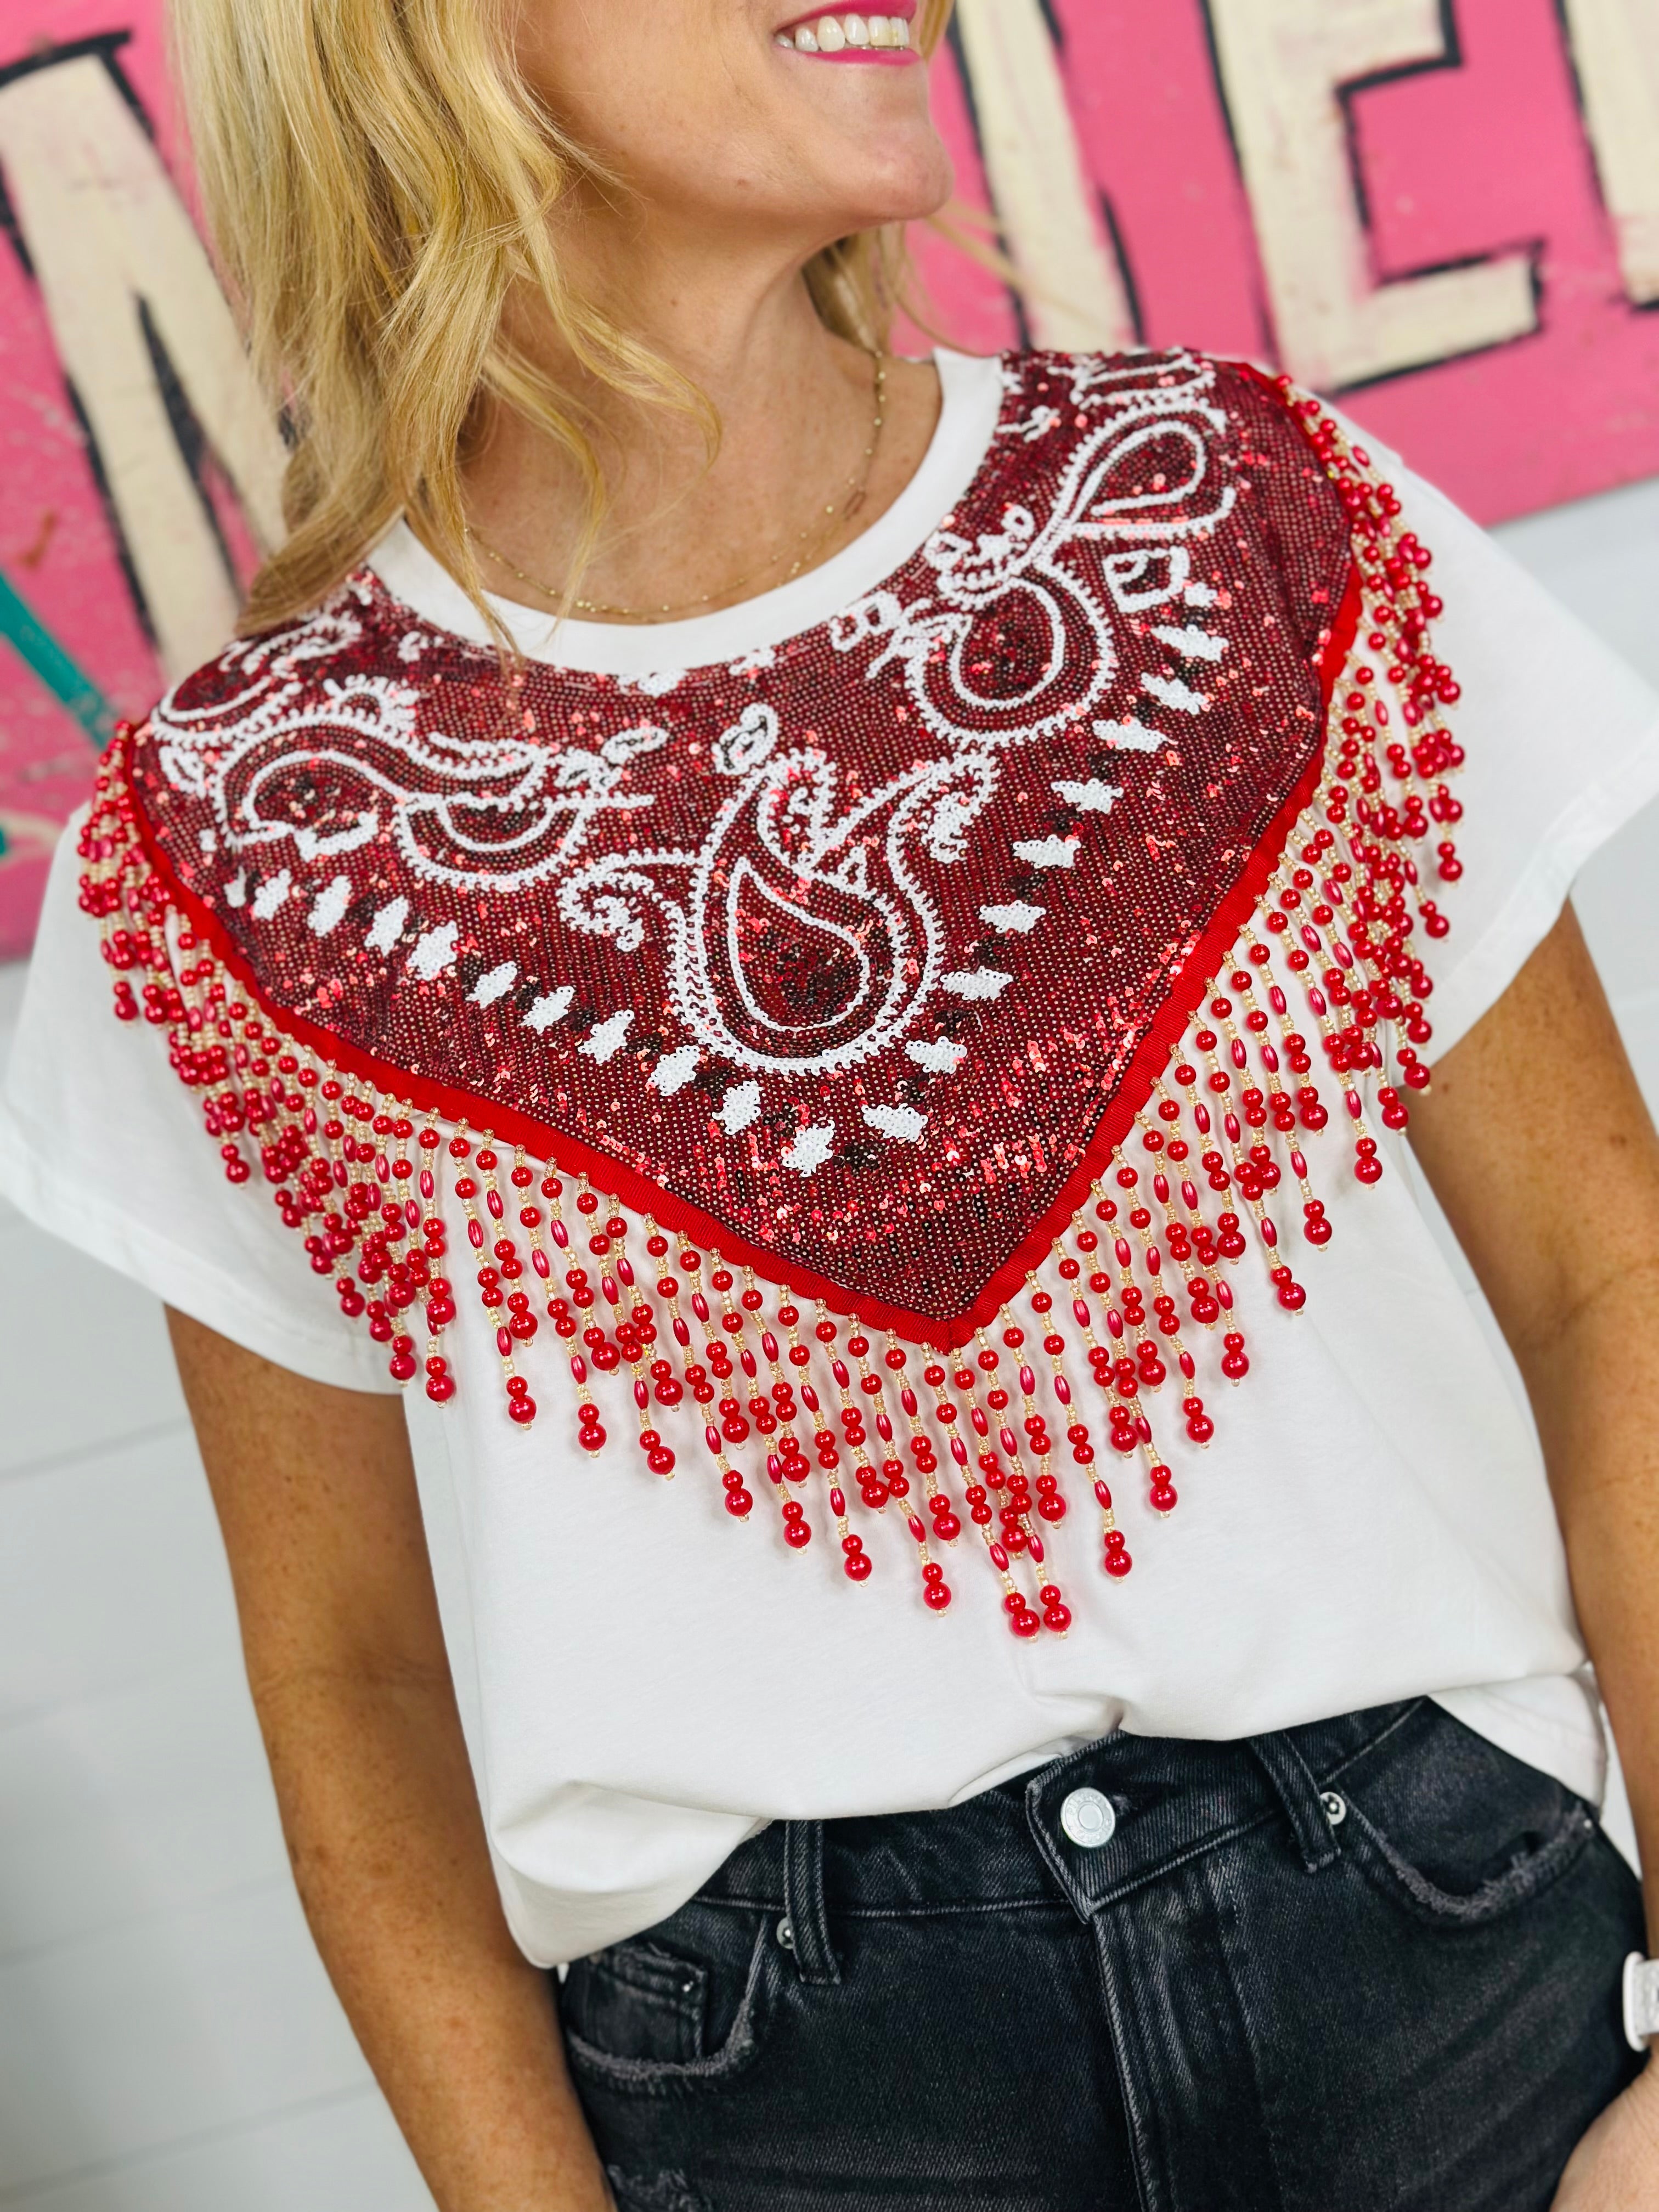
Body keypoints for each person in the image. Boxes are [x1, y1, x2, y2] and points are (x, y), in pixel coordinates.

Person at [5, 0, 1659, 2204]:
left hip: (1459, 1979)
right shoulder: (232, 852)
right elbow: (351, 1692)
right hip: (795, 2110)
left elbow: (1608, 1282)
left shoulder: (1244, 512)